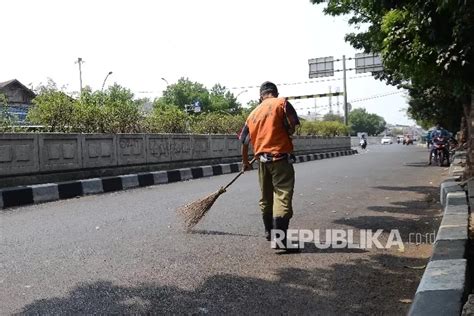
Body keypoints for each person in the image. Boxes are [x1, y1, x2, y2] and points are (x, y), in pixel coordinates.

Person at [239, 81, 300, 250]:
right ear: (275, 92)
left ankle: (269, 232)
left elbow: (244, 142)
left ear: (261, 96)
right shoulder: (282, 103)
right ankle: (280, 240)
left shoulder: (252, 114)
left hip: (262, 162)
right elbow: (292, 127)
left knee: (266, 197)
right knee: (282, 196)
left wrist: (245, 162)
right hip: (280, 159)